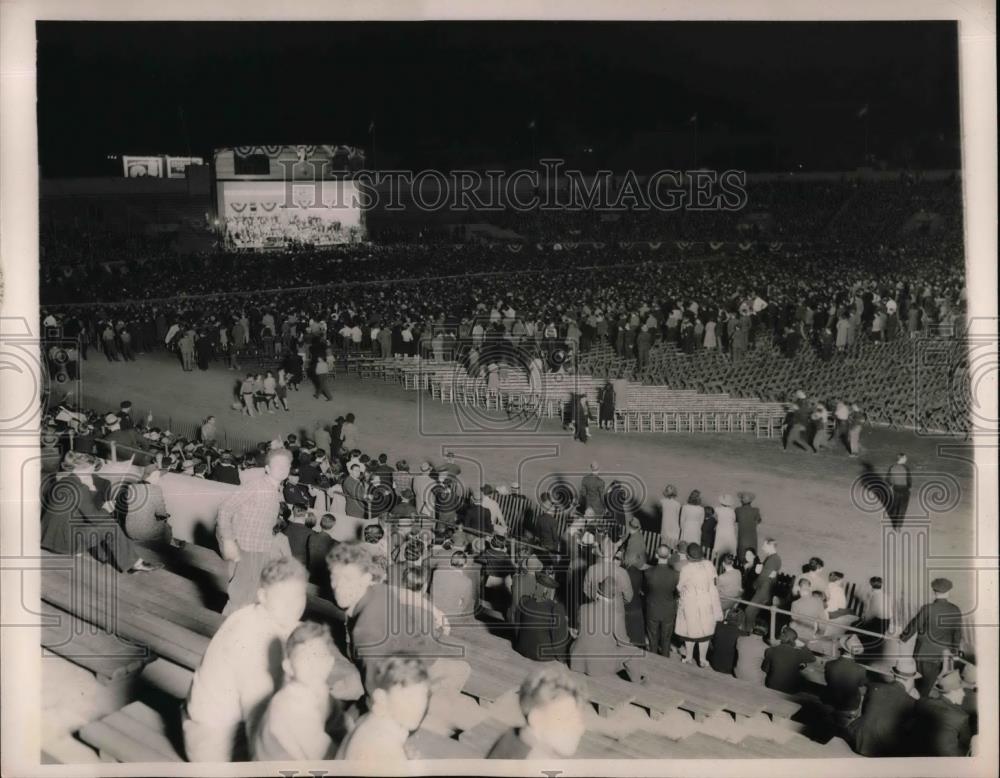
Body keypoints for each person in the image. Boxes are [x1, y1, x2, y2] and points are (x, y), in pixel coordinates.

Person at [183, 558, 308, 762]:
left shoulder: (251, 613)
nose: (292, 607)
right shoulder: (255, 640)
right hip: (213, 742)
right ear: (263, 596)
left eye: (298, 596)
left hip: (209, 724)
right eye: (283, 598)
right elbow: (257, 722)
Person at [251, 621, 350, 761]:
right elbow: (330, 758)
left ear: (330, 662)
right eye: (304, 657)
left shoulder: (320, 690)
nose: (313, 664)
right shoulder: (289, 705)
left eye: (319, 655)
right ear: (288, 667)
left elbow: (339, 725)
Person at [216, 448, 294, 616]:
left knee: (251, 597)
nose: (283, 469)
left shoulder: (275, 490)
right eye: (278, 465)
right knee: (239, 598)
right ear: (267, 468)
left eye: (286, 465)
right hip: (246, 548)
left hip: (260, 549)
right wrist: (228, 541)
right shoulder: (257, 486)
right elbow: (224, 509)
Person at [336, 656, 431, 762]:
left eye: (424, 694)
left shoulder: (371, 719)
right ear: (381, 698)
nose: (419, 706)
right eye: (409, 696)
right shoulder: (381, 744)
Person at [487, 666, 587, 759]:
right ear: (536, 719)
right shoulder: (534, 762)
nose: (581, 729)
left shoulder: (518, 736)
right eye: (567, 719)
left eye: (579, 719)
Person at [900, 577, 963, 698]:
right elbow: (957, 634)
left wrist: (903, 638)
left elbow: (914, 625)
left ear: (934, 592)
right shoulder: (955, 610)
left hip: (921, 652)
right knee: (926, 686)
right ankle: (918, 708)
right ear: (948, 592)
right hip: (939, 656)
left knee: (915, 683)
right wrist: (954, 651)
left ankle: (911, 706)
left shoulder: (928, 608)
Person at [846, 657, 920, 757]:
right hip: (880, 750)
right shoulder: (912, 702)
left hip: (857, 740)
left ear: (894, 674)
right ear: (911, 680)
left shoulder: (874, 687)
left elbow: (865, 712)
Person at [571, 577, 633, 678]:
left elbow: (579, 632)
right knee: (633, 651)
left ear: (598, 592)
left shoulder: (583, 608)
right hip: (599, 667)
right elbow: (624, 642)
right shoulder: (616, 615)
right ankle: (637, 681)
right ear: (613, 597)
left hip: (577, 662)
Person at [675, 543, 723, 667]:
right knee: (705, 632)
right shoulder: (709, 564)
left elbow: (680, 587)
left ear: (688, 556)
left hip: (692, 603)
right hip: (707, 601)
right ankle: (702, 659)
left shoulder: (686, 569)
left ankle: (689, 657)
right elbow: (715, 581)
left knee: (690, 631)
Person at [909, 669, 972, 757]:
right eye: (961, 690)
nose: (963, 694)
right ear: (953, 691)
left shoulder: (922, 703)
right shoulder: (961, 717)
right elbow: (966, 745)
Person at [116, 465, 182, 548]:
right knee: (167, 528)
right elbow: (161, 512)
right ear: (153, 477)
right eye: (158, 476)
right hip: (145, 532)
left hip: (130, 530)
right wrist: (165, 515)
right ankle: (169, 549)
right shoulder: (156, 489)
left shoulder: (131, 487)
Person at [514, 571, 570, 662]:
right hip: (543, 655)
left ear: (537, 586)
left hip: (521, 648)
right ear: (548, 591)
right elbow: (558, 638)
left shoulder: (524, 601)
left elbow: (517, 627)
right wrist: (562, 659)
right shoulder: (555, 608)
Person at [824, 634, 869, 726]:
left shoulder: (829, 664)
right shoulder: (861, 669)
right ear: (854, 653)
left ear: (842, 649)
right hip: (849, 705)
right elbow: (861, 686)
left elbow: (827, 680)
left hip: (830, 700)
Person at [643, 544, 680, 657]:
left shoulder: (648, 572)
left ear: (655, 555)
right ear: (669, 556)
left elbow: (645, 590)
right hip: (668, 610)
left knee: (652, 638)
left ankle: (653, 661)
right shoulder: (675, 575)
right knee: (666, 639)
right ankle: (665, 660)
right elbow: (677, 593)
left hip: (652, 608)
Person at [741, 538, 780, 633]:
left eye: (764, 545)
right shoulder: (771, 558)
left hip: (763, 591)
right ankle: (750, 631)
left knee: (749, 611)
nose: (762, 548)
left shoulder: (773, 559)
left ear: (770, 546)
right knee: (752, 612)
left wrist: (754, 584)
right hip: (763, 589)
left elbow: (763, 576)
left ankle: (747, 631)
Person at [761, 626, 816, 694]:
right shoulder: (798, 653)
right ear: (794, 640)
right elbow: (812, 659)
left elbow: (764, 669)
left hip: (771, 687)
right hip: (789, 690)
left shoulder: (770, 650)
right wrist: (803, 645)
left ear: (781, 638)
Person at [886, 452, 912, 530]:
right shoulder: (906, 468)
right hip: (904, 490)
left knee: (896, 505)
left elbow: (889, 480)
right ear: (902, 459)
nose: (906, 459)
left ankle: (894, 521)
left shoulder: (892, 467)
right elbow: (909, 480)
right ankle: (898, 526)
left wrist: (891, 486)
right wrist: (909, 488)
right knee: (902, 508)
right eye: (905, 458)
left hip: (896, 489)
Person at [735, 491, 762, 557]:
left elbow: (736, 520)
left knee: (741, 553)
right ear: (751, 501)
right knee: (752, 555)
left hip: (742, 536)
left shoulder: (738, 510)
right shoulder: (756, 510)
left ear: (741, 501)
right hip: (752, 537)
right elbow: (759, 520)